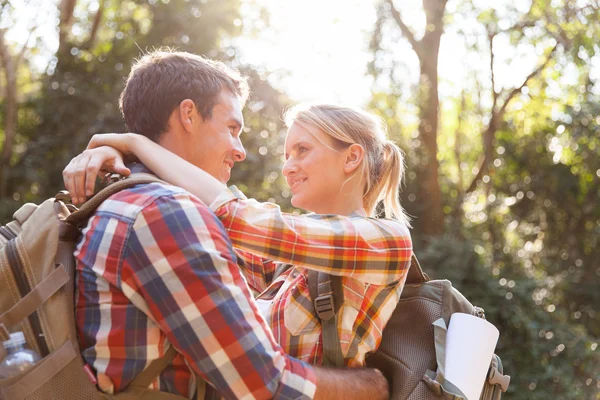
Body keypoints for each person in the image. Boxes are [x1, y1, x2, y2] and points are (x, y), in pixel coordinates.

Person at [64, 50, 411, 399]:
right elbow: (222, 220)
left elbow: (234, 214)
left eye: (302, 150)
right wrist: (121, 159)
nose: (287, 167)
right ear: (187, 115)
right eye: (287, 155)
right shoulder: (283, 261)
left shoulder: (387, 239)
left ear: (351, 157)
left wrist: (134, 145)